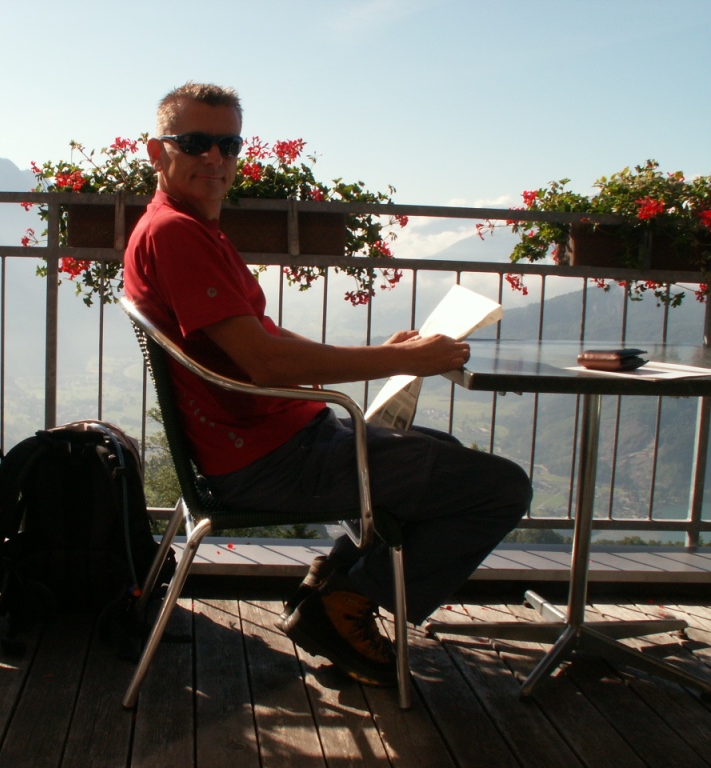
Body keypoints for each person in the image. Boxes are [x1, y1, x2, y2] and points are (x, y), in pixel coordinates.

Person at [123, 82, 532, 687]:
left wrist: (388, 353)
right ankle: (345, 602)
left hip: (272, 442)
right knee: (499, 487)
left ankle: (332, 584)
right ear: (159, 152)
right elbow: (265, 364)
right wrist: (406, 361)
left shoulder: (183, 227)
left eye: (228, 144)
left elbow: (258, 339)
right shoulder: (177, 234)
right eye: (196, 142)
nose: (215, 157)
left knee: (441, 453)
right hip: (266, 460)